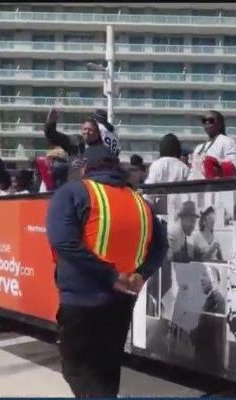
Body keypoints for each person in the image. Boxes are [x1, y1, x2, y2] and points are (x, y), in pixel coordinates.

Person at [46, 144, 167, 398]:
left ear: (86, 169)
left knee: (77, 369)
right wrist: (141, 274)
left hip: (81, 300)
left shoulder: (74, 192)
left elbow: (64, 241)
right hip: (122, 302)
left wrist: (110, 276)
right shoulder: (139, 202)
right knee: (107, 367)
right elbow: (160, 246)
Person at [189, 265, 226, 370]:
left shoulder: (217, 300)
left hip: (209, 360)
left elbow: (208, 329)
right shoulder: (210, 299)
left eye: (205, 275)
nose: (201, 278)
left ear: (214, 280)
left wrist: (191, 332)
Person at [188, 110, 236, 180]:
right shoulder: (198, 148)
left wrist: (215, 165)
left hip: (217, 187)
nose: (207, 123)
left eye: (211, 120)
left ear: (220, 124)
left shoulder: (228, 141)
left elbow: (235, 166)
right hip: (196, 187)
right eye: (204, 121)